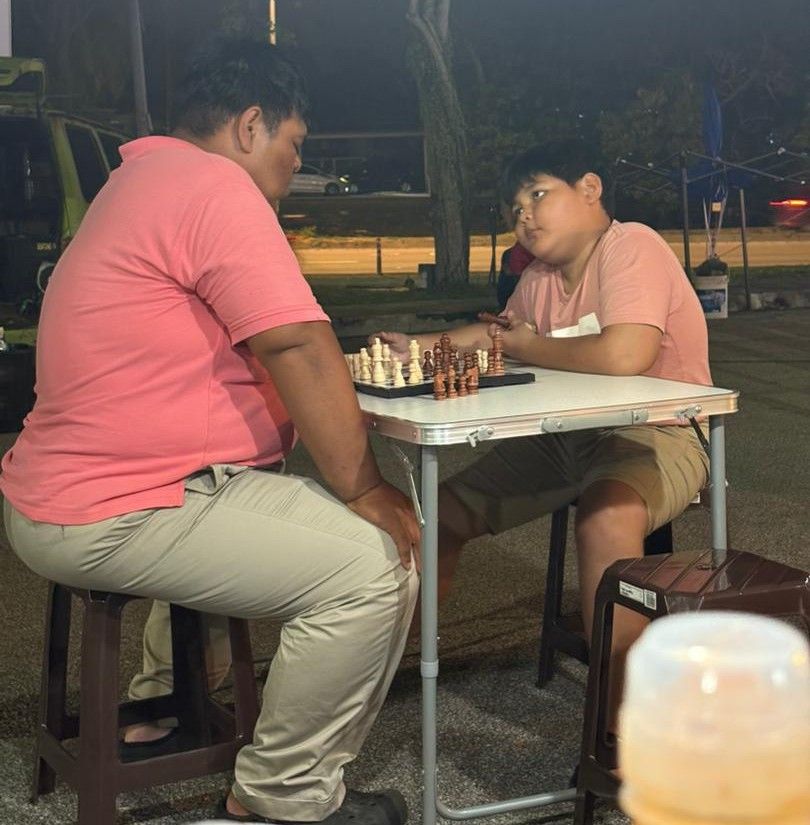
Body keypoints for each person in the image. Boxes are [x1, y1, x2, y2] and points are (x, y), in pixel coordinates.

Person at [0, 37, 420, 825]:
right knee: (375, 565)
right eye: (295, 145)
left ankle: (163, 700)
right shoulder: (216, 188)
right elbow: (294, 340)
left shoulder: (139, 178)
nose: (296, 166)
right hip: (116, 504)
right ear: (252, 125)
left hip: (67, 490)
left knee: (247, 495)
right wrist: (364, 486)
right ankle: (282, 798)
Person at [376, 144, 711, 733]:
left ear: (589, 188)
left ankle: (618, 733)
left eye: (537, 194)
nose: (524, 217)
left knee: (605, 518)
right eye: (513, 208)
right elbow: (493, 335)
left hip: (662, 433)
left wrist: (526, 345)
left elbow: (626, 354)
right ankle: (375, 674)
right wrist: (419, 349)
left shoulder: (631, 246)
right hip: (564, 439)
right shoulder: (537, 278)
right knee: (434, 517)